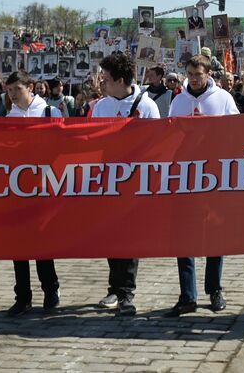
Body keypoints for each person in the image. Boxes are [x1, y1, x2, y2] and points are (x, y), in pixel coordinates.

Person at [167, 54, 238, 315]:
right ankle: (187, 294)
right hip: (185, 176)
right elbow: (170, 134)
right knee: (184, 236)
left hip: (215, 175)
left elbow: (237, 132)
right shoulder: (179, 100)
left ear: (208, 74)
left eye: (198, 74)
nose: (194, 79)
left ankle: (214, 289)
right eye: (190, 74)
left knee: (214, 236)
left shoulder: (223, 99)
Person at [91, 52, 160, 315]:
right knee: (111, 236)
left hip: (135, 181)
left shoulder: (147, 106)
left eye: (106, 79)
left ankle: (126, 292)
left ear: (120, 80)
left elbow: (156, 144)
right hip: (109, 180)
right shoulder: (101, 106)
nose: (102, 83)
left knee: (130, 237)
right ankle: (114, 287)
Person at [3, 70, 62, 316]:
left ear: (31, 87)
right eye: (9, 90)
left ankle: (51, 290)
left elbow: (62, 145)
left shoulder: (49, 112)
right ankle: (23, 295)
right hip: (19, 186)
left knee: (42, 243)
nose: (13, 94)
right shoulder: (10, 116)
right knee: (19, 244)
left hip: (45, 185)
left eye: (17, 89)